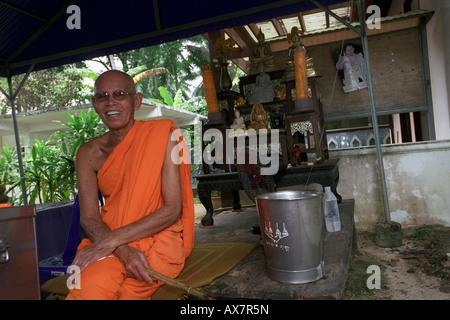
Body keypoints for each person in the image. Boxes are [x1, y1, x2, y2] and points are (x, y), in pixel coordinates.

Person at [65, 70, 195, 300]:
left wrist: (112, 243)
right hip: (110, 242)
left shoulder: (163, 135)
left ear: (136, 101)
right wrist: (120, 249)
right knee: (89, 287)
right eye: (102, 96)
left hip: (157, 240)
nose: (110, 102)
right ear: (95, 104)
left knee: (128, 292)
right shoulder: (87, 153)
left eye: (119, 94)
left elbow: (172, 209)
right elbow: (89, 218)